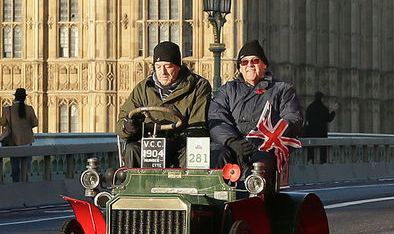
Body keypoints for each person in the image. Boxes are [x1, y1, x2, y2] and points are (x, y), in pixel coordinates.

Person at [208, 40, 303, 177]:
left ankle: (255, 195)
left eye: (255, 61)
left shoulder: (282, 90)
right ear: (239, 68)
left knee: (260, 164)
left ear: (265, 65)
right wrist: (232, 141)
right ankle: (215, 195)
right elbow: (216, 118)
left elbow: (293, 118)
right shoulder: (227, 90)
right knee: (216, 154)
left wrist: (262, 140)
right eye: (244, 62)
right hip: (233, 145)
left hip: (264, 147)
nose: (250, 65)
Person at [118, 40, 212, 168]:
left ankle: (186, 187)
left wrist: (175, 138)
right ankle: (135, 186)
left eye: (168, 66)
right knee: (132, 149)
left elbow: (198, 123)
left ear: (178, 66)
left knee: (192, 152)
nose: (163, 72)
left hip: (181, 143)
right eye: (158, 67)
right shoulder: (143, 88)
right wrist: (128, 126)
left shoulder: (198, 86)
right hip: (151, 141)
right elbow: (122, 122)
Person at [0, 87, 39, 182]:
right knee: (26, 164)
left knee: (15, 165)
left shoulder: (7, 109)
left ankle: (16, 184)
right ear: (24, 98)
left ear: (15, 97)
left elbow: (2, 123)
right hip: (27, 141)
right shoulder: (29, 109)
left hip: (13, 141)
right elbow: (35, 123)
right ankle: (25, 182)